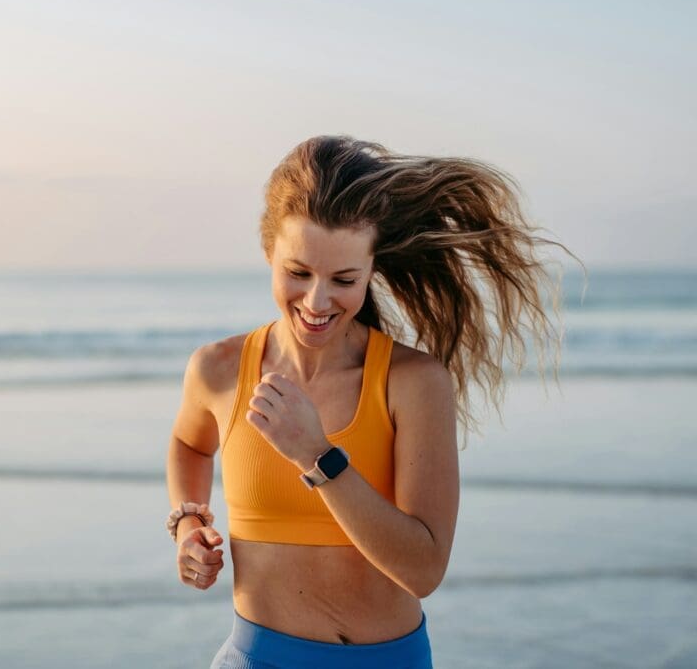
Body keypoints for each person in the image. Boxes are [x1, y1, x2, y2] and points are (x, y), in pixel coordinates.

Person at [165, 135, 582, 668]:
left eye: (344, 280)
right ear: (269, 251)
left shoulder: (413, 382)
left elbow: (423, 570)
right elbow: (188, 443)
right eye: (298, 272)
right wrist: (188, 524)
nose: (317, 301)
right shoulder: (218, 369)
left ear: (371, 270)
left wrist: (317, 455)